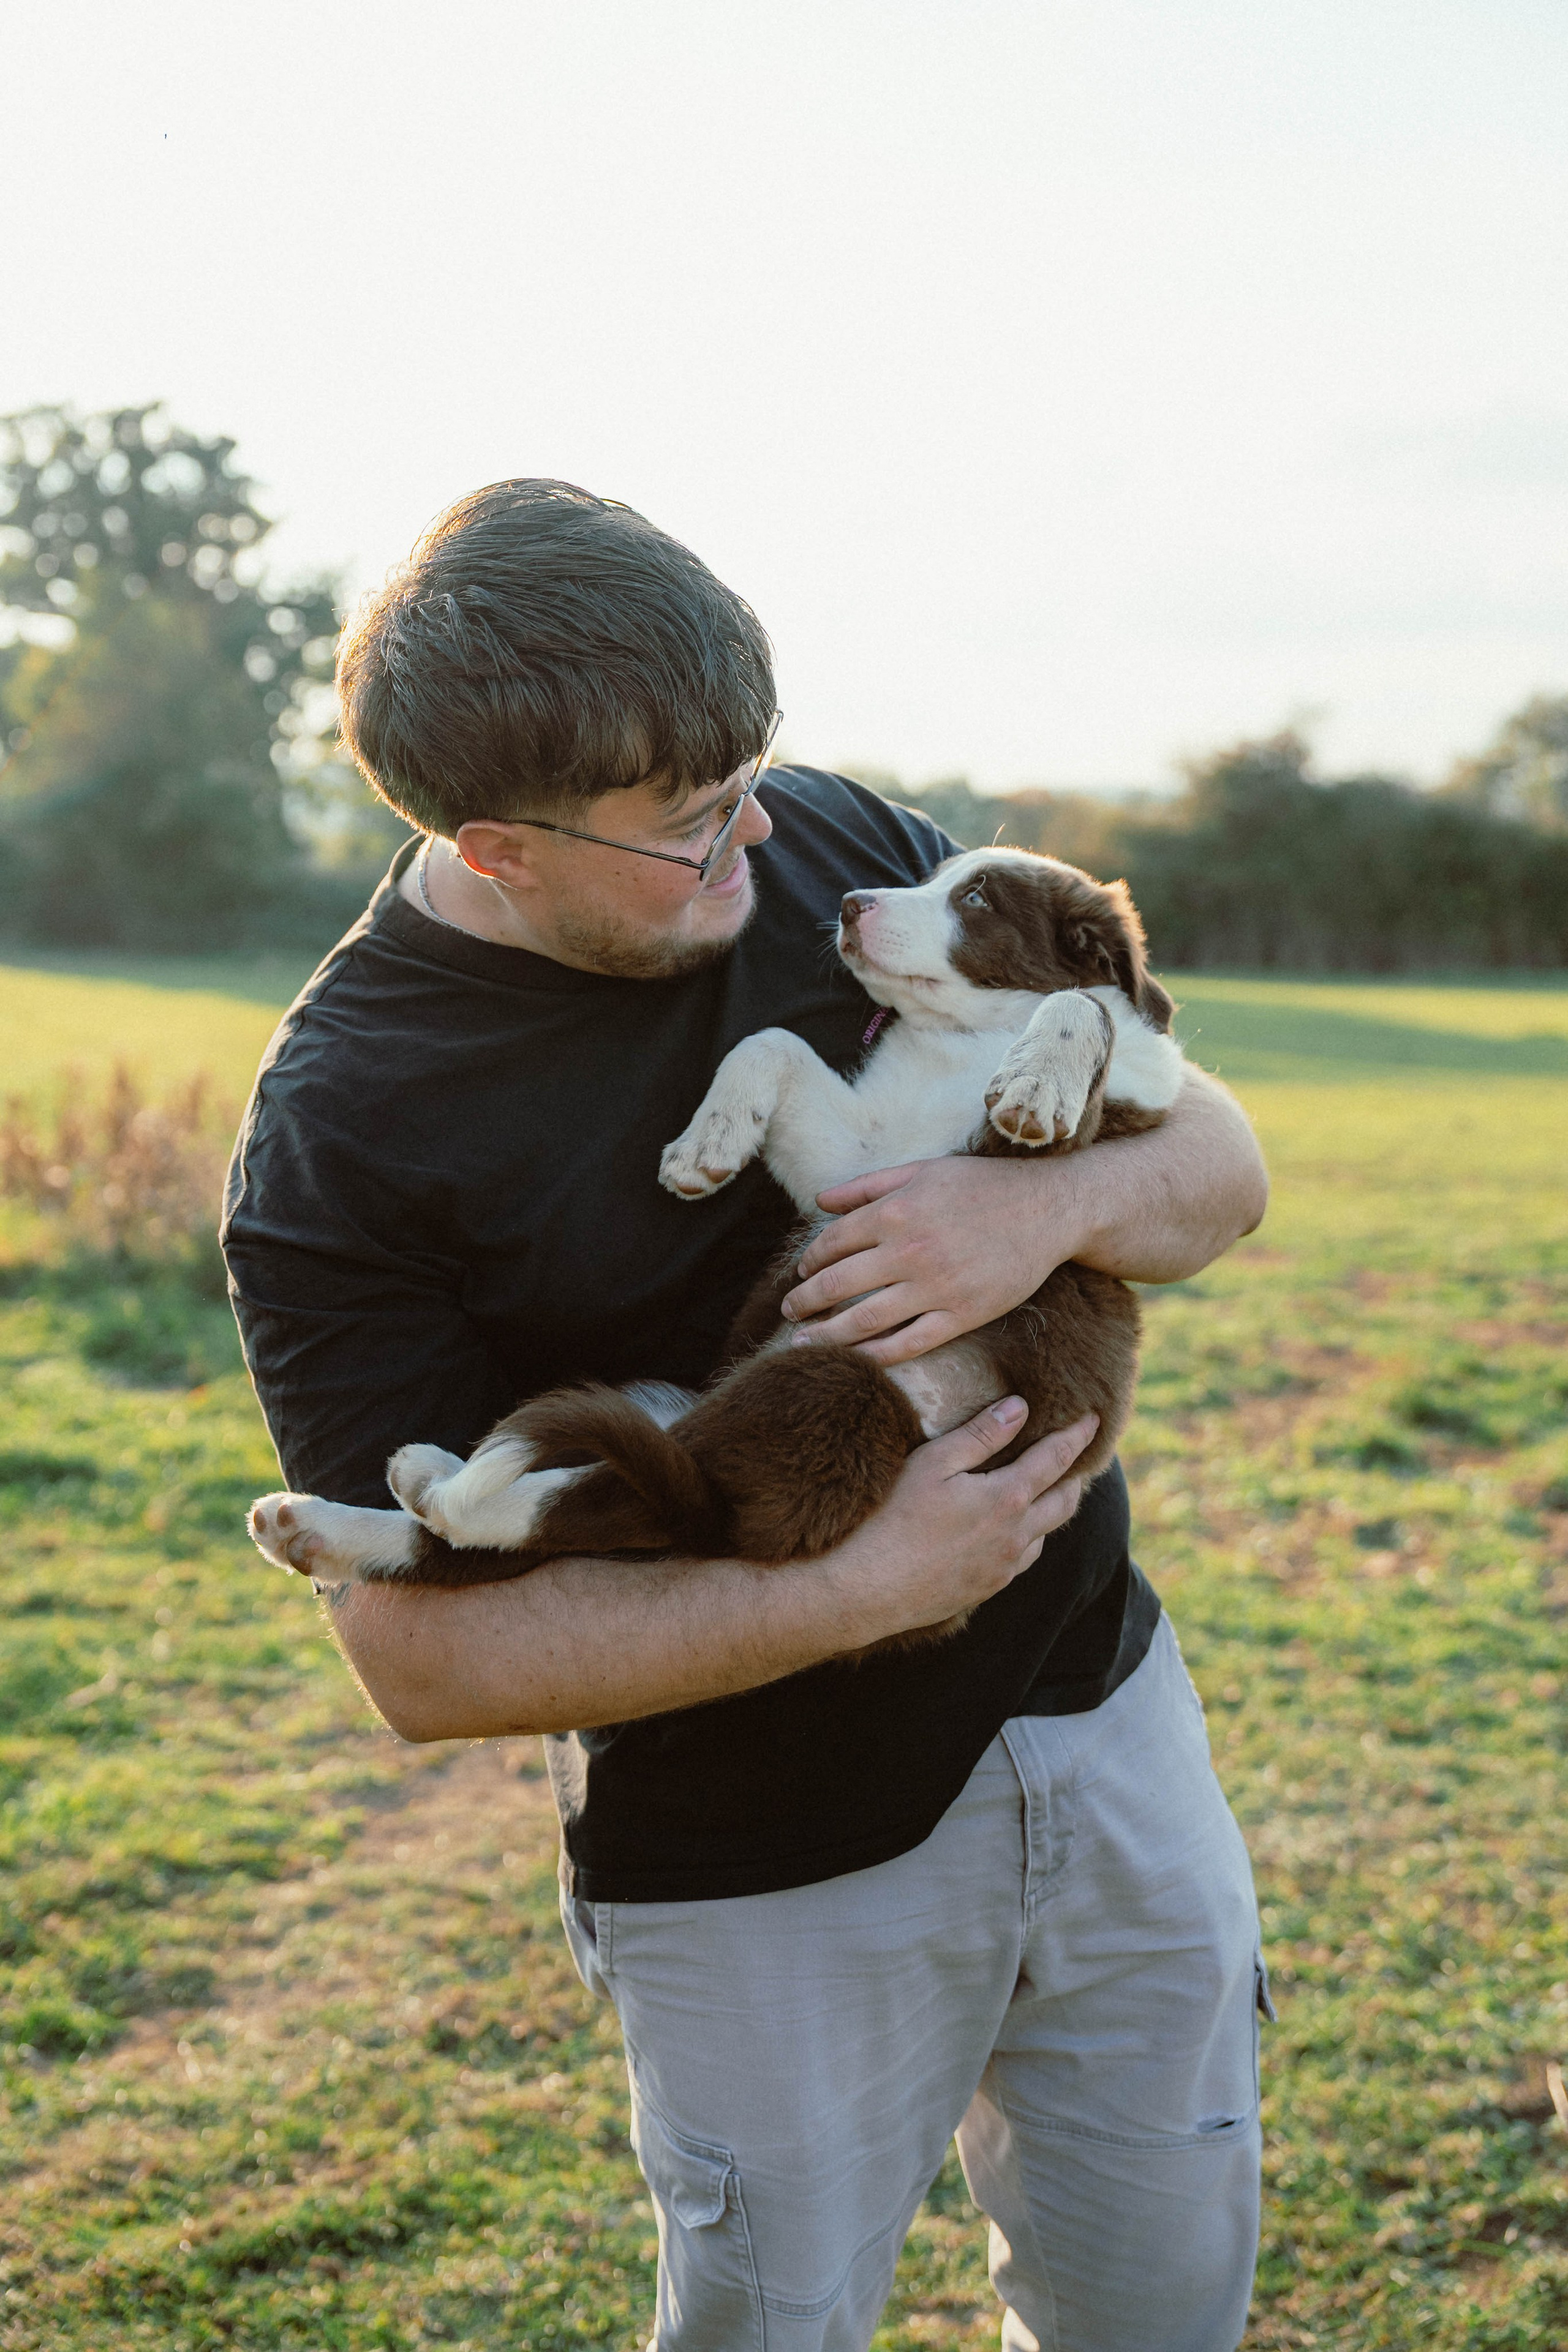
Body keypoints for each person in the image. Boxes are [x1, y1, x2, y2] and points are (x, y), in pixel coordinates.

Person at [223, 480, 1272, 2352]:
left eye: (750, 781)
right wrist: (865, 1590)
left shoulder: (833, 845)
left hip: (1106, 1725)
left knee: (1164, 2301)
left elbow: (1218, 1165)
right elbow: (416, 1667)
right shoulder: (341, 1131)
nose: (762, 844)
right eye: (692, 829)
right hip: (766, 1866)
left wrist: (1041, 1205)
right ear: (497, 844)